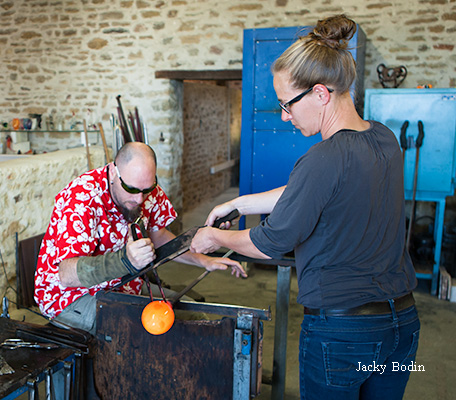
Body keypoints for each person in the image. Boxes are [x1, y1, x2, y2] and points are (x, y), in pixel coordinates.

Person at [190, 14, 420, 400]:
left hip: (343, 337)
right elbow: (317, 188)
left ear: (320, 93)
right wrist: (240, 202)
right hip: (402, 328)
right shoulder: (383, 138)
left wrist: (215, 236)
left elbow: (270, 242)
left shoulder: (323, 157)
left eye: (287, 104)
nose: (284, 116)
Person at [34, 142, 245, 335]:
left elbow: (159, 235)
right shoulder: (81, 199)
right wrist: (125, 260)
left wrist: (203, 260)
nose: (139, 199)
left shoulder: (145, 189)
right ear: (112, 172)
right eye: (131, 190)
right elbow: (67, 275)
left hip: (120, 284)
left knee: (193, 319)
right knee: (146, 335)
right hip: (70, 297)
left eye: (147, 190)